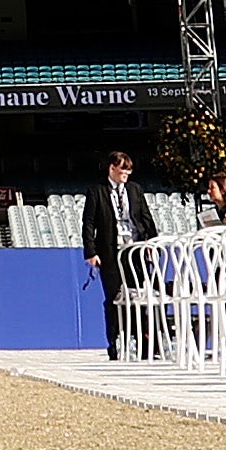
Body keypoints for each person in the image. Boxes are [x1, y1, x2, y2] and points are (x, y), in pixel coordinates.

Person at [78, 148, 148, 357]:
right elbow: (88, 223)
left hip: (134, 251)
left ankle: (142, 340)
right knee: (114, 297)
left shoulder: (135, 190)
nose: (126, 175)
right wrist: (90, 251)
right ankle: (114, 340)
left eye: (129, 171)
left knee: (138, 296)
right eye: (122, 171)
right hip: (110, 251)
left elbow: (145, 217)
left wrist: (150, 245)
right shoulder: (96, 191)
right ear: (112, 168)